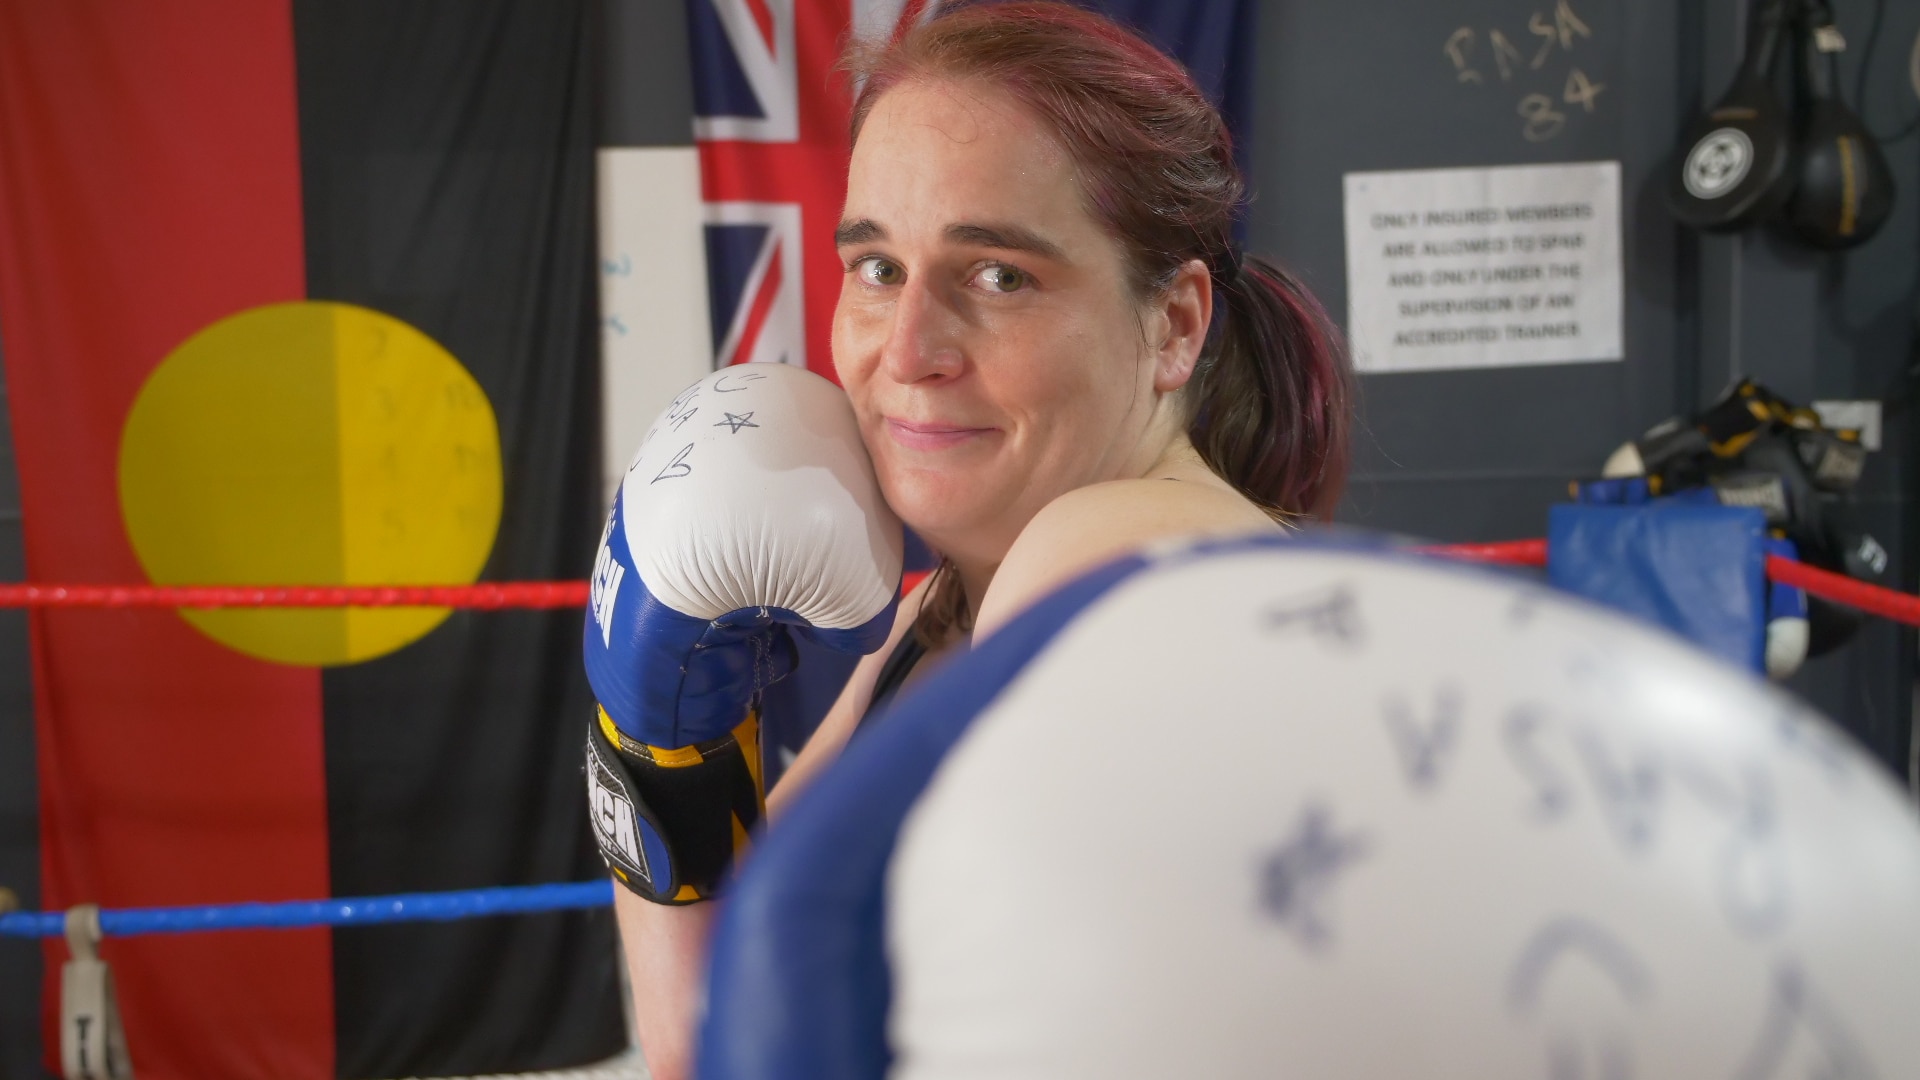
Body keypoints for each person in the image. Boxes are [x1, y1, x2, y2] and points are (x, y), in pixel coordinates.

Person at [611, 4, 1352, 1076]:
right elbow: (708, 1035)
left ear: (1175, 326)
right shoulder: (939, 613)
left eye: (998, 274)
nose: (907, 351)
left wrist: (641, 744)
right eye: (876, 269)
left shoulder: (1110, 559)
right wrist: (663, 740)